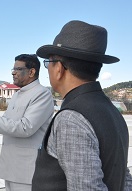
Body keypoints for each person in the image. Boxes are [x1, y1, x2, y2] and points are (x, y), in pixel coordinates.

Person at [32, 20, 132, 190]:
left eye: (49, 63)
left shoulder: (71, 118)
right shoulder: (112, 110)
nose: (48, 69)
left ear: (59, 69)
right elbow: (124, 177)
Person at [0, 54, 54, 191]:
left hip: (27, 170)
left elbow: (25, 128)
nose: (13, 72)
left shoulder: (42, 94)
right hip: (11, 166)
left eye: (18, 69)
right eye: (13, 69)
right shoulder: (17, 95)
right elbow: (5, 123)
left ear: (32, 72)